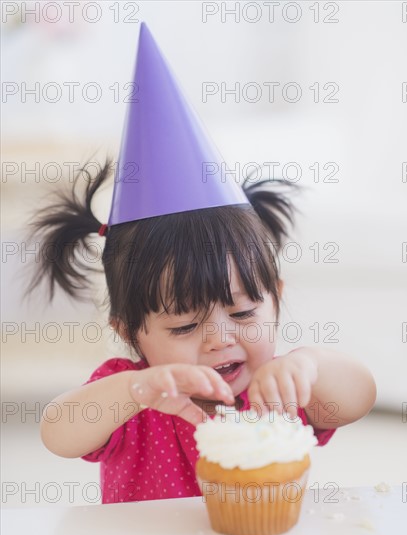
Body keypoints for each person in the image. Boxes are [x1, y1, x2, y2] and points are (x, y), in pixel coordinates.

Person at [26, 24, 376, 504]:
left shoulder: (280, 388)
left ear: (276, 294)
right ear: (130, 332)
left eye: (243, 313)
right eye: (185, 325)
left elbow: (358, 399)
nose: (219, 339)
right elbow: (57, 433)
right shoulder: (133, 394)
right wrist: (137, 390)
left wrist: (309, 364)